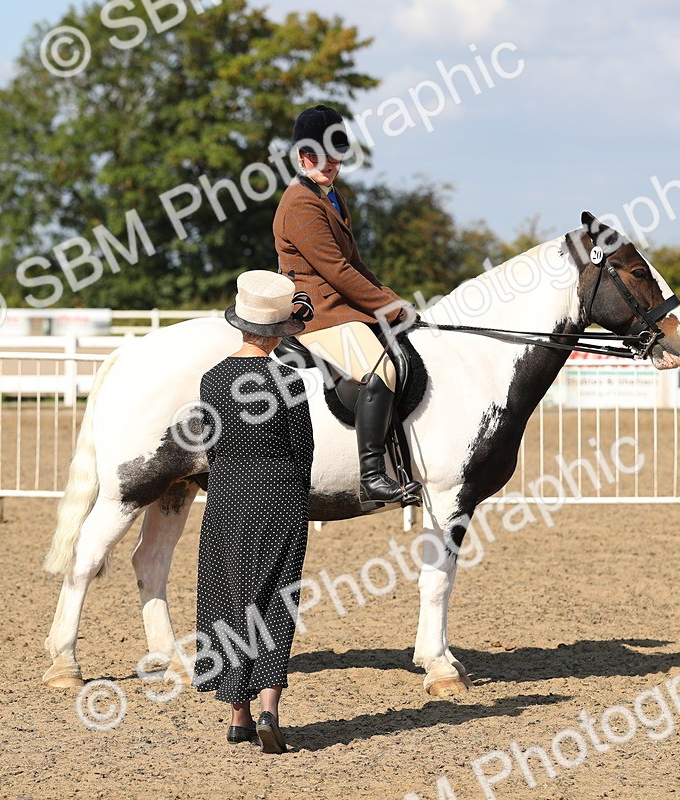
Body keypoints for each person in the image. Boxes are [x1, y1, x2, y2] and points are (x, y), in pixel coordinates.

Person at [273, 103, 421, 508]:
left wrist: (393, 299)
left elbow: (356, 264)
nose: (329, 164)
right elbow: (336, 271)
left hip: (341, 304)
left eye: (336, 155)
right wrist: (390, 311)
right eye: (318, 157)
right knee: (380, 368)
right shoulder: (301, 205)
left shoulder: (331, 196)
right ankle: (372, 475)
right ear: (303, 156)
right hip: (320, 313)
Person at [193, 270, 314, 755]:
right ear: (280, 330)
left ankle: (237, 716)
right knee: (276, 601)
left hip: (228, 497)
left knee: (230, 599)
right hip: (280, 496)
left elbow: (210, 444)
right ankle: (269, 710)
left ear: (241, 323)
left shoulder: (213, 379)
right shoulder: (290, 381)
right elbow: (302, 452)